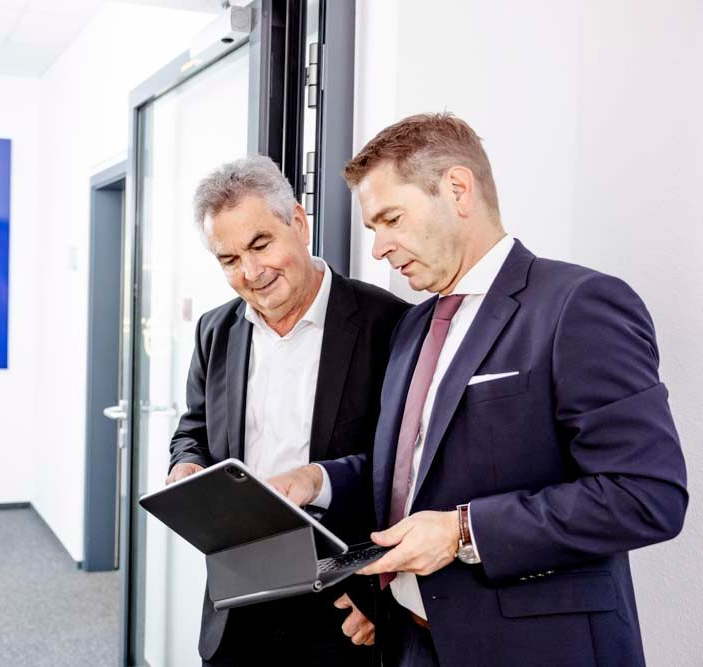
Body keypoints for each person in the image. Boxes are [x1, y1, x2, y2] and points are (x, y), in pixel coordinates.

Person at [268, 113, 688, 666]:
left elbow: (646, 495)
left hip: (534, 650)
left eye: (390, 219)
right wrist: (316, 479)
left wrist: (462, 531)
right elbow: (411, 472)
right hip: (409, 638)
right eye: (374, 229)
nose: (379, 249)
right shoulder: (413, 327)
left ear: (458, 190)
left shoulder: (578, 305)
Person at [168, 155, 409, 666]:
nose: (251, 273)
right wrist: (185, 465)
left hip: (345, 598)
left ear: (298, 224)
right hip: (237, 597)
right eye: (229, 260)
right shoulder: (216, 330)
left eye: (260, 245)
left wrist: (315, 481)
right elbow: (193, 428)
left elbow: (408, 469)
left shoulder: (389, 324)